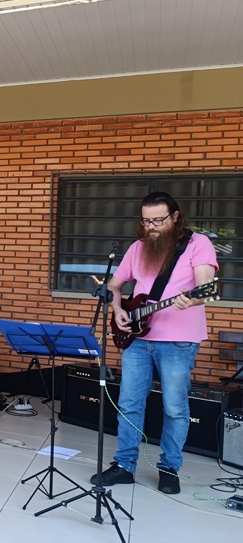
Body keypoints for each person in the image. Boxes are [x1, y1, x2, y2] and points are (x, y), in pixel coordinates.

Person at [92, 191, 218, 495]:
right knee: (129, 404)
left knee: (174, 407)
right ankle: (124, 466)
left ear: (175, 217)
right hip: (137, 339)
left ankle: (169, 468)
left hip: (178, 341)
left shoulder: (198, 244)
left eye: (158, 220)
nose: (151, 227)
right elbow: (114, 286)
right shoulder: (138, 248)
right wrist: (118, 310)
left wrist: (193, 300)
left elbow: (206, 287)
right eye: (146, 221)